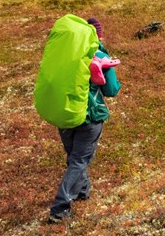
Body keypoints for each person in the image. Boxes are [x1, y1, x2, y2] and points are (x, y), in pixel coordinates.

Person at [48, 17, 121, 223]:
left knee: (74, 156)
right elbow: (111, 89)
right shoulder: (98, 54)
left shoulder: (65, 54)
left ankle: (82, 190)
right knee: (79, 160)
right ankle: (60, 207)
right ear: (98, 35)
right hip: (89, 117)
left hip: (64, 114)